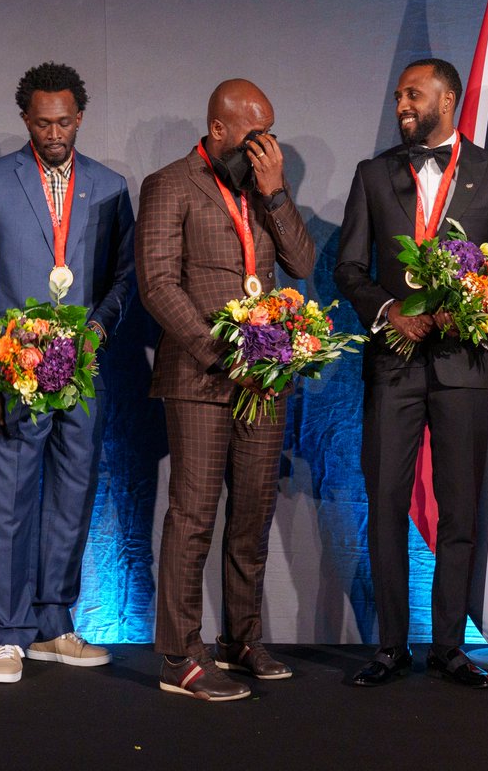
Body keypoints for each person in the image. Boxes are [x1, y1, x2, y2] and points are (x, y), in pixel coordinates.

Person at [334, 59, 488, 689]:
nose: (401, 105)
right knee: (386, 504)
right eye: (397, 96)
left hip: (463, 367)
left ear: (449, 98)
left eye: (412, 95)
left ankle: (450, 647)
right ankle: (391, 647)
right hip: (393, 364)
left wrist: (477, 303)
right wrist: (389, 310)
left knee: (459, 513)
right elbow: (348, 270)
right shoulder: (373, 176)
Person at [136, 79, 314, 702]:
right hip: (200, 378)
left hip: (264, 381)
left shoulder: (263, 190)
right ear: (217, 130)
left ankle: (243, 639)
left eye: (271, 132)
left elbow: (301, 263)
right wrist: (221, 355)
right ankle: (180, 656)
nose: (266, 146)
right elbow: (158, 286)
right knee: (193, 516)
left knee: (252, 514)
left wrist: (277, 194)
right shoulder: (169, 185)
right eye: (254, 135)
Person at [0, 62, 135, 684]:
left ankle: (53, 624)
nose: (54, 132)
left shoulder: (111, 186)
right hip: (15, 372)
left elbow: (123, 279)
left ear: (80, 118)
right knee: (8, 503)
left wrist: (99, 329)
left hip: (83, 375)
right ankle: (5, 635)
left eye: (63, 121)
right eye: (42, 122)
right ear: (25, 120)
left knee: (71, 500)